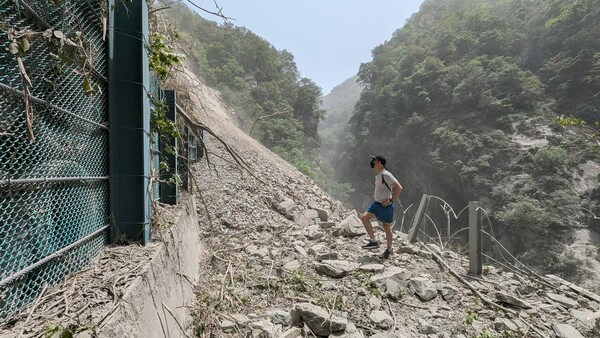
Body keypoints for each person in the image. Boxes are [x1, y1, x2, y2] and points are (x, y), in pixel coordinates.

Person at [361, 155, 403, 259]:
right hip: (376, 203)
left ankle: (389, 250)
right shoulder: (379, 174)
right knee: (364, 218)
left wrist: (391, 200)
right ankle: (373, 241)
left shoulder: (386, 174)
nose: (373, 163)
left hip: (385, 205)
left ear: (379, 163)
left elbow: (399, 188)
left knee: (386, 227)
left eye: (374, 161)